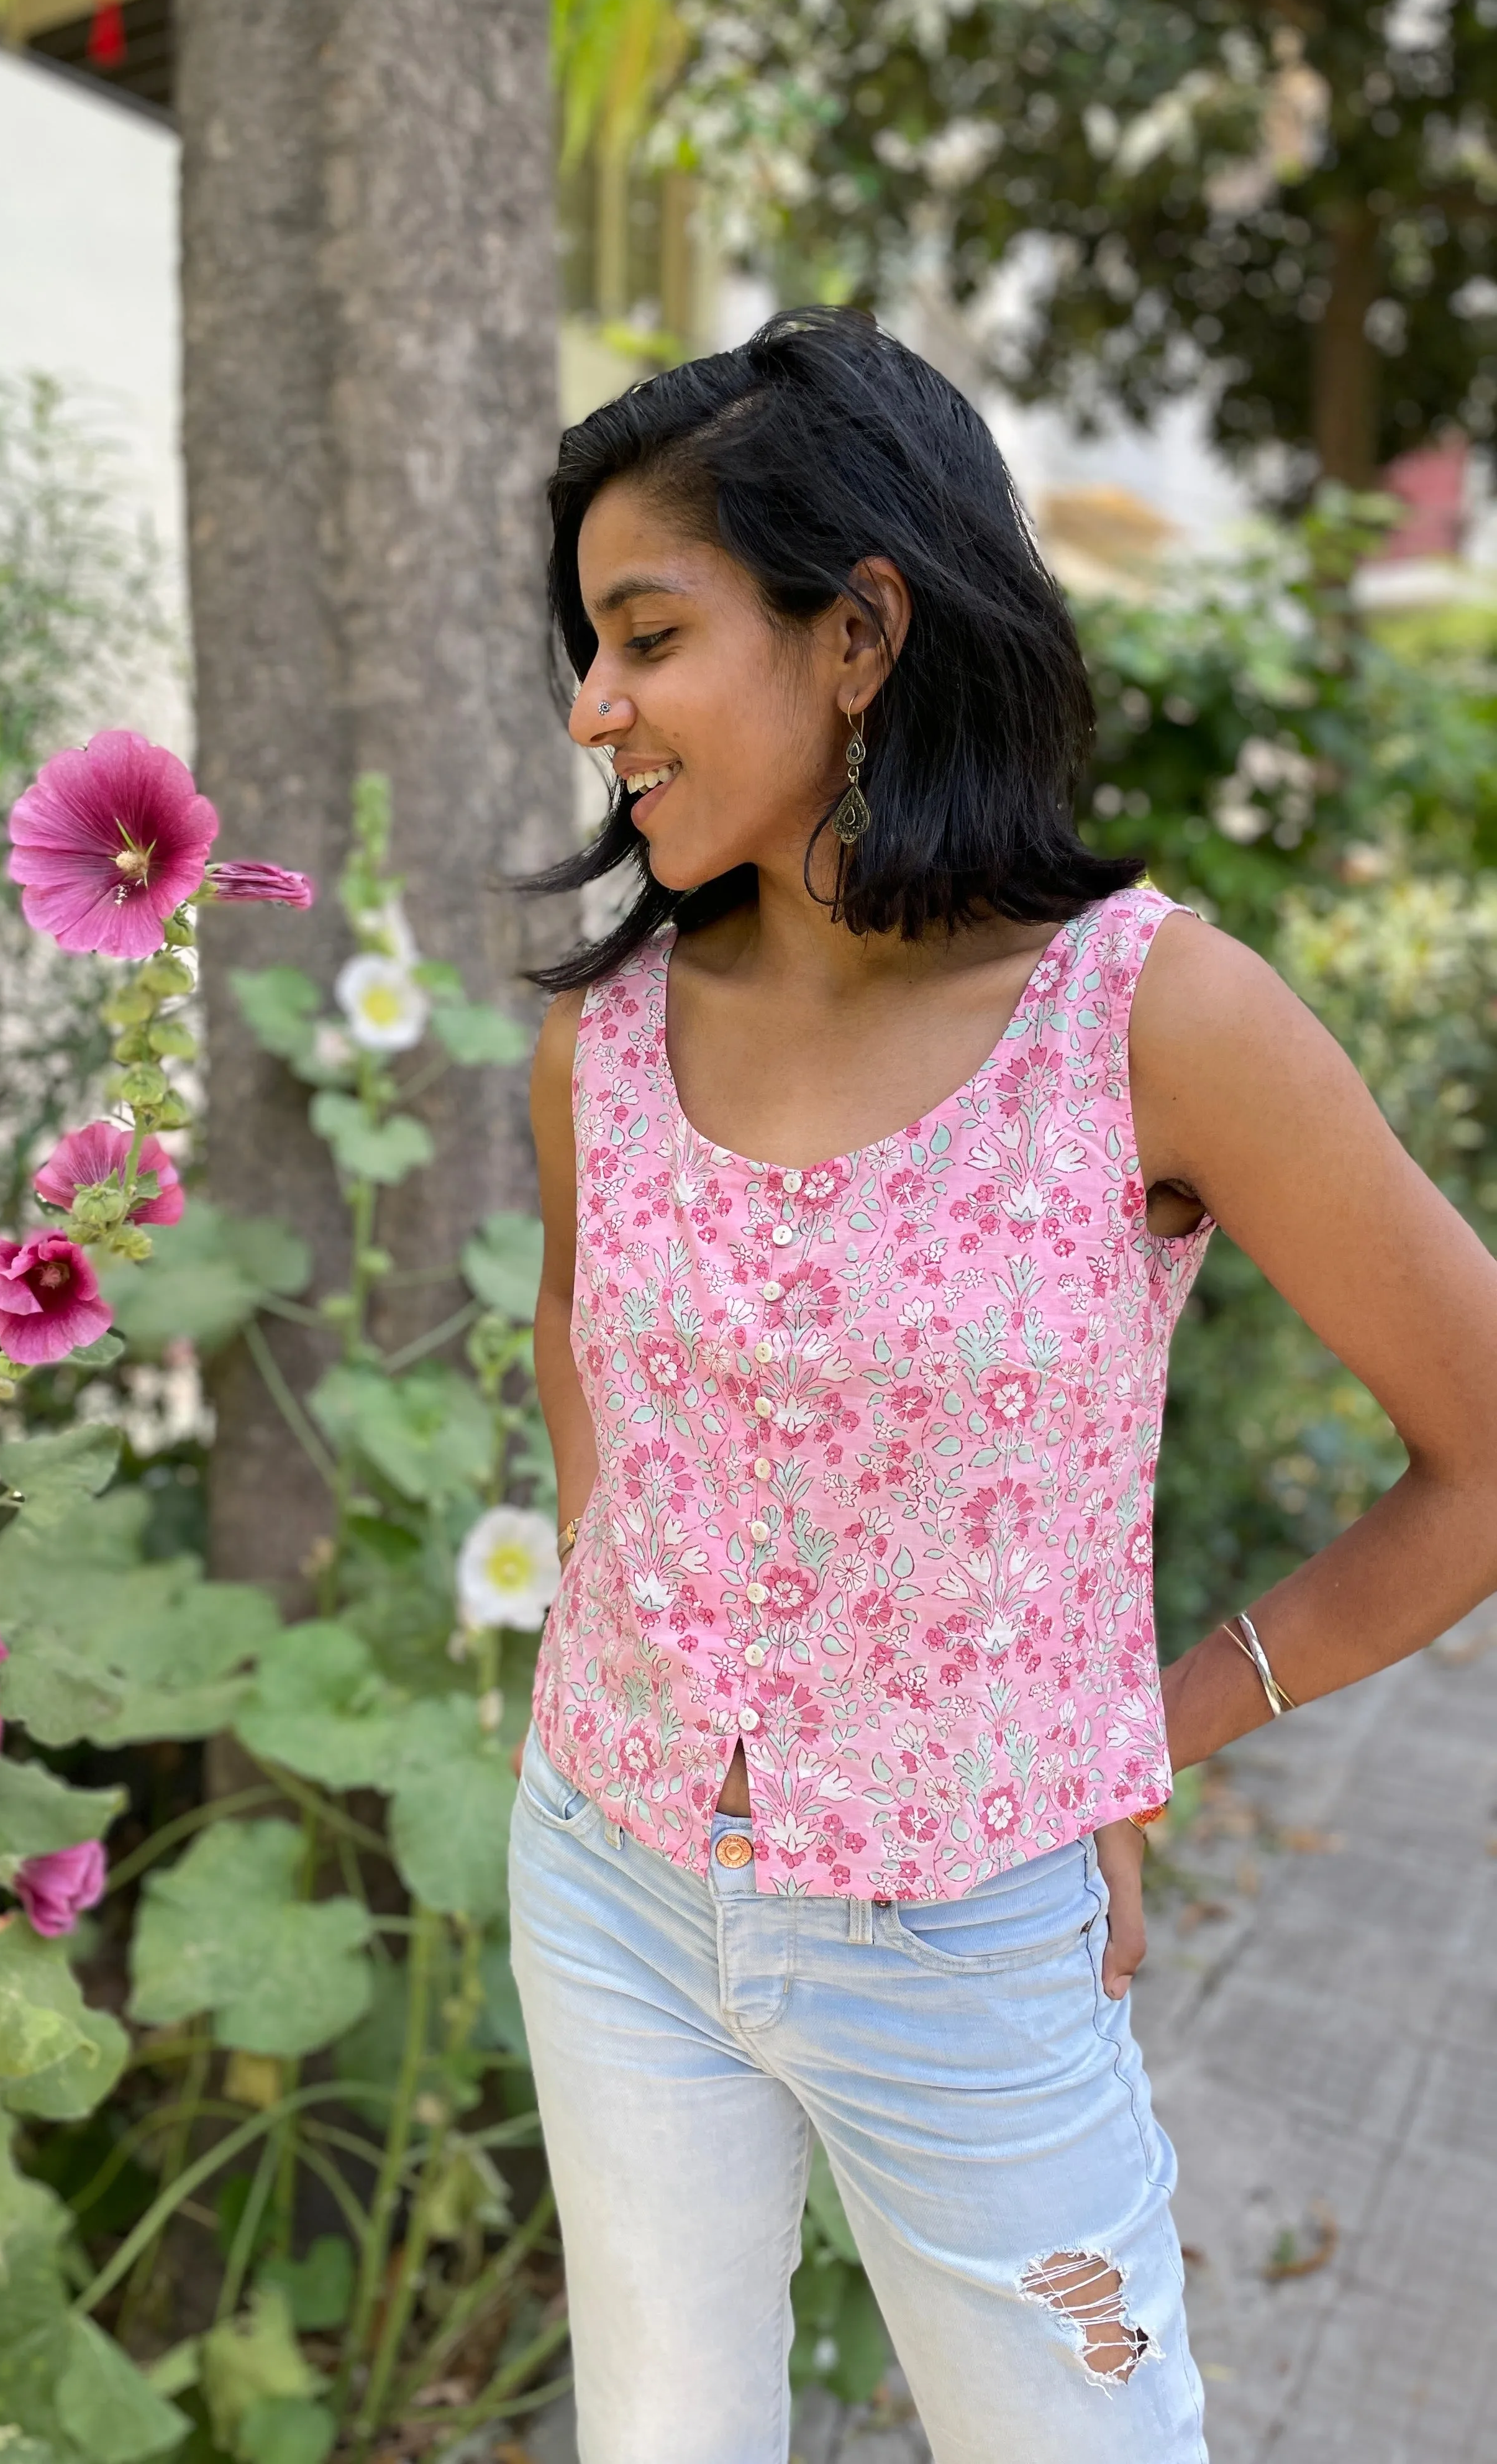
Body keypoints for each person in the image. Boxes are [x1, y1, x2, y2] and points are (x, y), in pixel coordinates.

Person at [508, 307, 1497, 2464]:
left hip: (964, 1954)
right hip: (604, 1877)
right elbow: (586, 1335)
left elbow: (1484, 1455)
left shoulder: (1153, 1024)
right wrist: (628, 1598)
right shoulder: (604, 1039)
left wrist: (1135, 1737)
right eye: (588, 646)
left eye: (648, 634)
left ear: (859, 630)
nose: (595, 708)